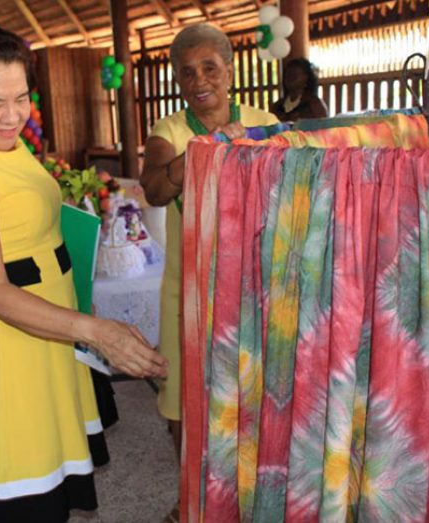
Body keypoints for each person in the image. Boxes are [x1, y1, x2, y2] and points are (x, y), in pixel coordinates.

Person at [0, 26, 167, 523]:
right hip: (16, 339)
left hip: (50, 324)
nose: (13, 115)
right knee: (33, 486)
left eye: (21, 98)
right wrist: (97, 332)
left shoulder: (3, 144)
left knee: (57, 470)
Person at [139, 23, 279, 522]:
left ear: (230, 70)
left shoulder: (266, 123)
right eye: (187, 72)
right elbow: (154, 187)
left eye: (210, 68)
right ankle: (191, 500)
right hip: (189, 292)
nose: (200, 80)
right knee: (182, 399)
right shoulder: (170, 132)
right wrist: (203, 152)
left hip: (253, 288)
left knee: (252, 396)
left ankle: (245, 493)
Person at [271, 57, 328, 122]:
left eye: (294, 75)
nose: (290, 78)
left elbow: (324, 129)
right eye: (288, 75)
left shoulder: (315, 104)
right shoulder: (276, 107)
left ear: (306, 78)